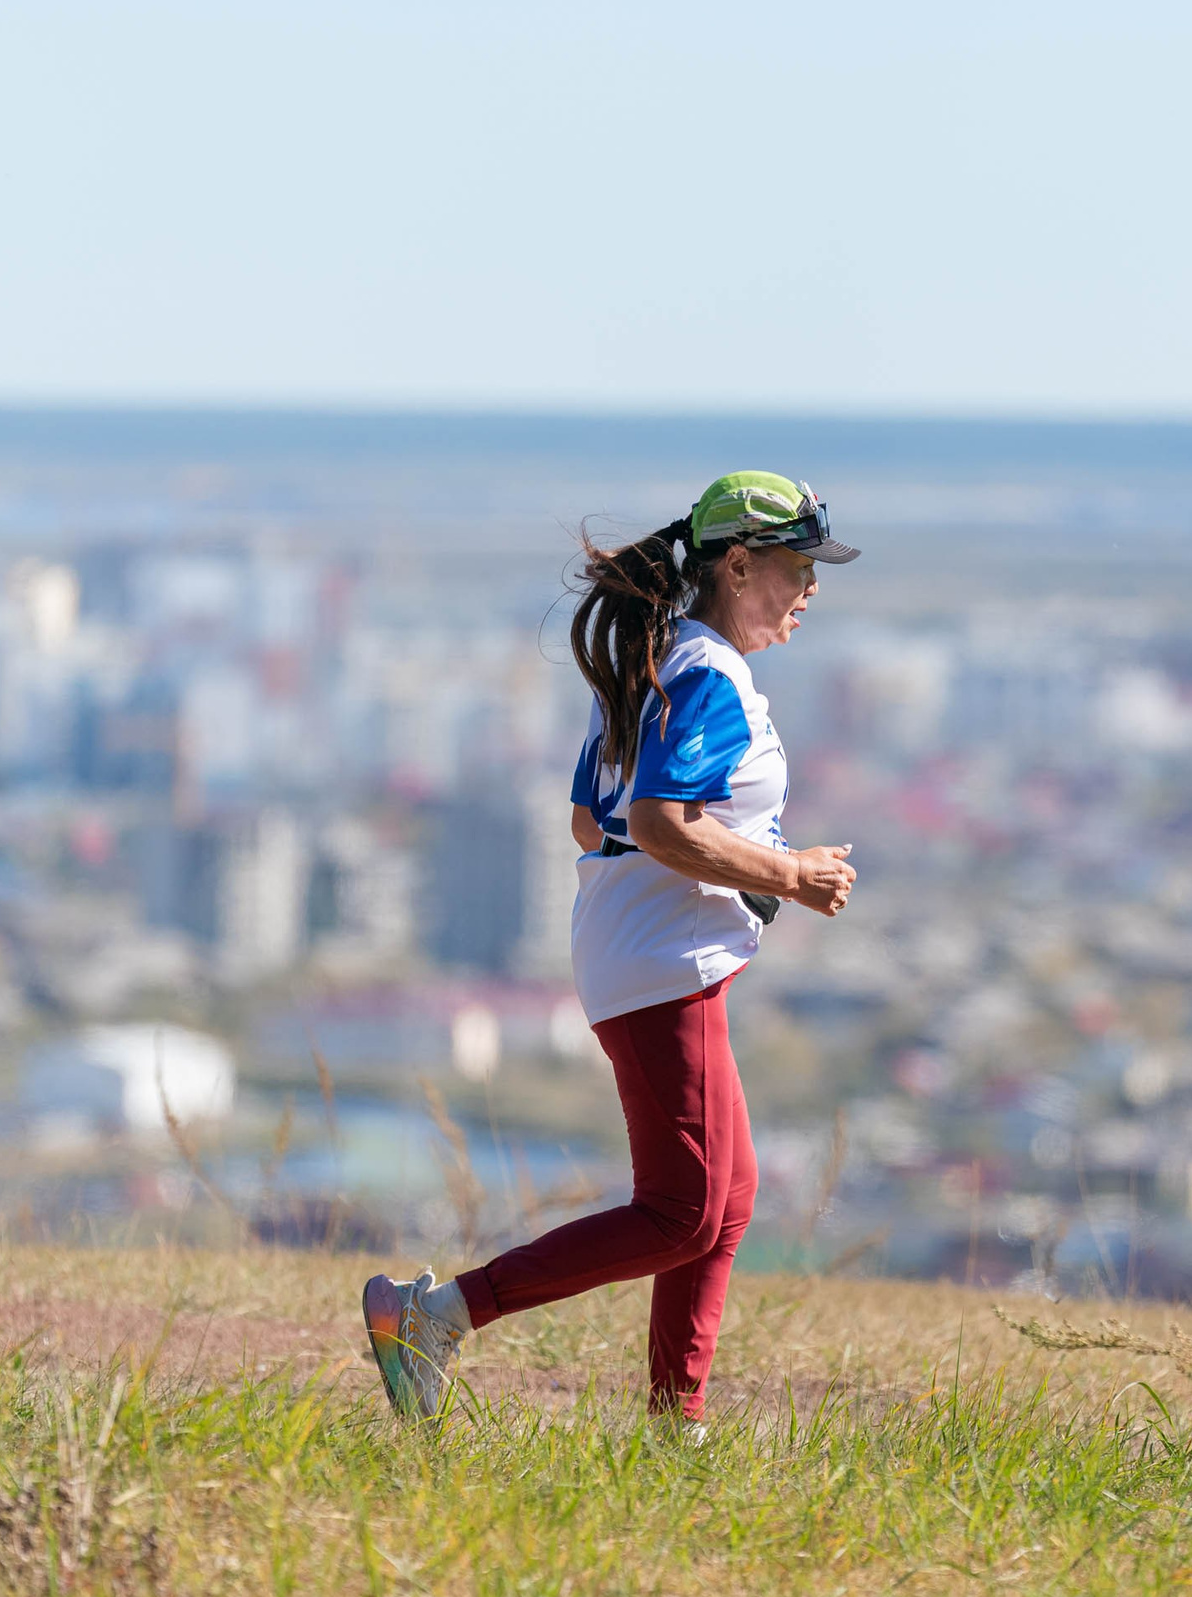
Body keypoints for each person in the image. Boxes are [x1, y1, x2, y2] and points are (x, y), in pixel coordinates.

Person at [362, 471, 861, 1427]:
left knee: (726, 1199)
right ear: (739, 563)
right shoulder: (704, 672)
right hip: (663, 965)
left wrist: (720, 870)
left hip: (636, 954)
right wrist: (786, 875)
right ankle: (439, 1315)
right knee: (681, 1210)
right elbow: (657, 824)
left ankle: (679, 1422)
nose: (809, 593)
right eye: (798, 569)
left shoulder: (657, 658)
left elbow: (595, 828)